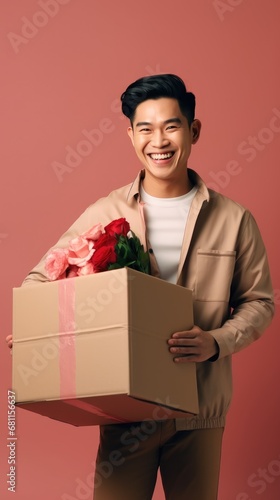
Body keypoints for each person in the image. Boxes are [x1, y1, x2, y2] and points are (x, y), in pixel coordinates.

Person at [6, 74, 274, 500]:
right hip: (126, 408)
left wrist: (217, 341)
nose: (159, 140)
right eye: (145, 128)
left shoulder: (234, 220)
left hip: (200, 410)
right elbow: (42, 279)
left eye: (171, 126)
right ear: (131, 135)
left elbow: (260, 303)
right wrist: (42, 332)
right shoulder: (107, 211)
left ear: (193, 130)